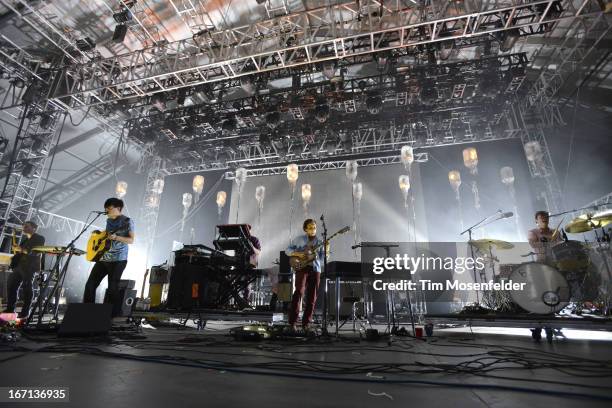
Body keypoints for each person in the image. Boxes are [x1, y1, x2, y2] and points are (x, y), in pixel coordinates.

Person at [83, 198, 134, 316]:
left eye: (109, 208)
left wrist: (117, 238)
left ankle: (111, 315)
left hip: (118, 259)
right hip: (104, 257)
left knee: (112, 287)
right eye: (106, 208)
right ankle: (86, 312)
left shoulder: (127, 221)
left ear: (118, 208)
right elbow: (107, 234)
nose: (106, 210)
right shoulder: (109, 220)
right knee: (90, 285)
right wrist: (98, 236)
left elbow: (131, 240)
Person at [286, 219, 330, 330]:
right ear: (305, 229)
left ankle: (306, 323)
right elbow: (287, 250)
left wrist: (326, 251)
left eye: (314, 227)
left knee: (312, 297)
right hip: (302, 268)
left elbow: (323, 259)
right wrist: (299, 254)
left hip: (315, 269)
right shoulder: (299, 239)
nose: (313, 229)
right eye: (310, 227)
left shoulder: (320, 242)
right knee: (298, 292)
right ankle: (292, 323)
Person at [4, 221, 45, 318]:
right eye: (23, 226)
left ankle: (25, 312)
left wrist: (20, 249)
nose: (24, 228)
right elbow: (21, 252)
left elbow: (35, 252)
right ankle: (10, 309)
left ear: (34, 228)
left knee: (27, 288)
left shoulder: (40, 238)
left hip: (29, 267)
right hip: (19, 266)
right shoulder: (25, 239)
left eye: (26, 227)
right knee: (11, 286)